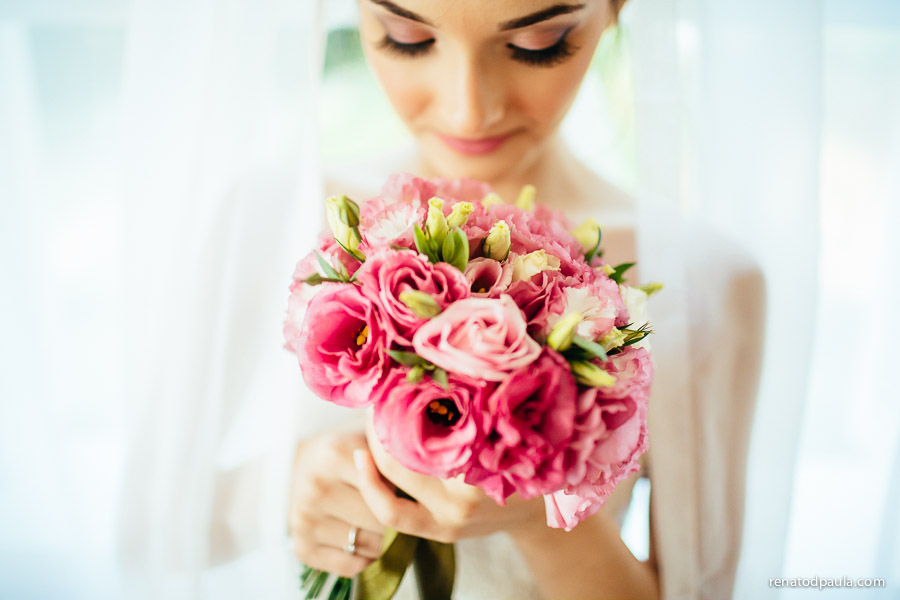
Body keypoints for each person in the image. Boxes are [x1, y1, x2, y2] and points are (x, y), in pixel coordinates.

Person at [118, 1, 764, 599]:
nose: (467, 112)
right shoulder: (267, 216)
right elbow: (149, 525)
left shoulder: (705, 280)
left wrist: (538, 516)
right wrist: (299, 479)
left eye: (539, 43)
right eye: (409, 37)